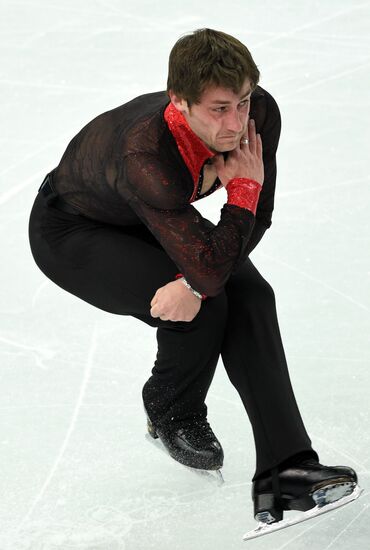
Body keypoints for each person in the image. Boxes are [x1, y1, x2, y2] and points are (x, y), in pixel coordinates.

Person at [28, 28, 360, 533]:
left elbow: (257, 217)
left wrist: (202, 274)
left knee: (251, 295)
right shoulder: (145, 153)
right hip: (75, 231)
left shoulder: (258, 116)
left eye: (243, 102)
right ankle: (172, 410)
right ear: (179, 102)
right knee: (206, 303)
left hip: (157, 218)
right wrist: (199, 277)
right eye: (219, 109)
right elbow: (218, 250)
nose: (236, 123)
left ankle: (288, 470)